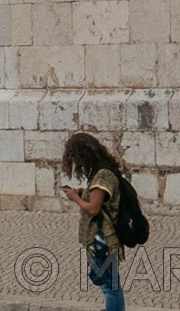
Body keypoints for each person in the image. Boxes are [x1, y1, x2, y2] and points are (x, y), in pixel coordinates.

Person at [61, 132, 127, 311]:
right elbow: (98, 200)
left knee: (110, 287)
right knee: (107, 282)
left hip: (102, 240)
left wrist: (75, 197)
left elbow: (93, 209)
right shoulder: (103, 172)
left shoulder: (102, 176)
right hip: (102, 239)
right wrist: (86, 193)